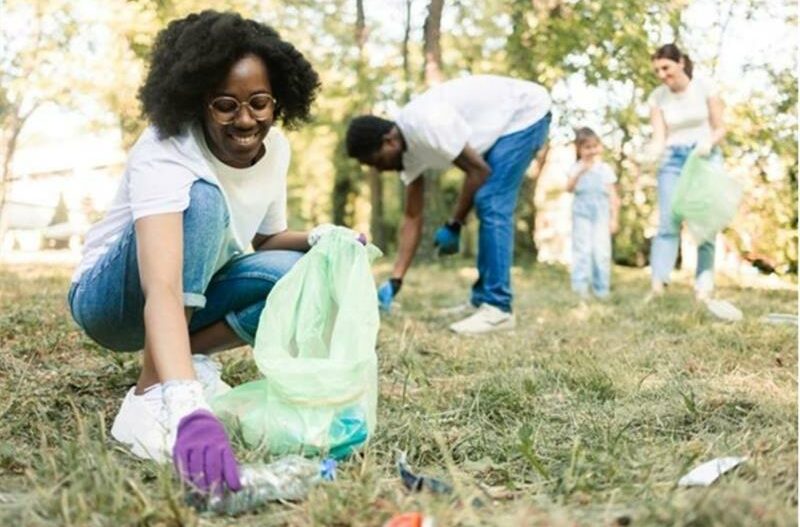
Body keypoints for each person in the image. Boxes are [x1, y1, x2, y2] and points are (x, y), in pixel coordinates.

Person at [67, 11, 355, 494]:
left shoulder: (276, 148)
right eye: (226, 105)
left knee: (304, 272)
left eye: (259, 103)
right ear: (199, 102)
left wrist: (324, 238)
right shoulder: (169, 148)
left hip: (187, 295)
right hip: (111, 303)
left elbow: (265, 241)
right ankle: (149, 395)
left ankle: (186, 359)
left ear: (278, 99)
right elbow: (159, 287)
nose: (246, 119)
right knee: (202, 200)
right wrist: (187, 407)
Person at [345, 74, 551, 334]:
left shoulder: (427, 126)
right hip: (501, 125)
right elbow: (412, 217)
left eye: (377, 161)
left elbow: (478, 172)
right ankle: (481, 301)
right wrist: (396, 279)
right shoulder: (407, 154)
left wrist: (454, 224)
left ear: (389, 141)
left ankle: (498, 309)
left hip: (525, 113)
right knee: (488, 199)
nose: (380, 169)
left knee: (491, 201)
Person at [646, 43, 726, 301]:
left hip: (704, 155)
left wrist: (709, 143)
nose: (661, 75)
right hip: (673, 158)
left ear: (680, 62)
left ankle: (704, 287)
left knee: (705, 221)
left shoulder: (704, 87)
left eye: (665, 67)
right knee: (668, 221)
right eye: (657, 70)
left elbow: (720, 128)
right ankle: (658, 286)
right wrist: (651, 153)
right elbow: (659, 137)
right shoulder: (658, 97)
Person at [566, 127, 619, 299]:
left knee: (601, 251)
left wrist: (614, 218)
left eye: (594, 146)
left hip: (601, 212)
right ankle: (580, 289)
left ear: (600, 147)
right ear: (579, 149)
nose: (591, 151)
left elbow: (613, 196)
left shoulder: (604, 169)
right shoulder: (576, 167)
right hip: (581, 211)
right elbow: (568, 188)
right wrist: (580, 172)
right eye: (587, 147)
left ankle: (601, 289)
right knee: (582, 250)